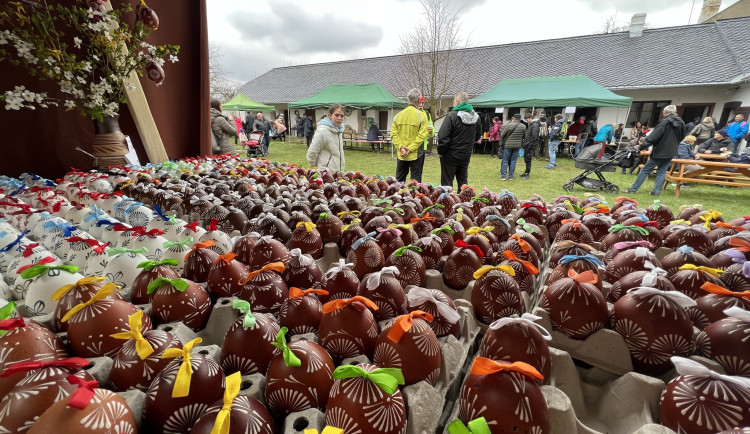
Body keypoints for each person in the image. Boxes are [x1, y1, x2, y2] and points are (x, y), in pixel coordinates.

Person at [623, 105, 684, 196]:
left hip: (660, 151)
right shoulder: (681, 122)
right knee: (662, 171)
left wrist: (641, 147)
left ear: (665, 112)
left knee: (645, 170)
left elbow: (653, 137)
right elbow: (682, 136)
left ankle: (633, 189)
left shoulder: (664, 122)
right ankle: (656, 191)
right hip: (671, 151)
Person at [436, 91, 482, 188]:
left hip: (450, 154)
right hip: (465, 154)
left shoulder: (452, 116)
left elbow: (443, 136)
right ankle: (464, 201)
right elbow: (478, 136)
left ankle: (447, 201)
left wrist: (441, 152)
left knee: (447, 183)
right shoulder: (476, 117)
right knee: (463, 181)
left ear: (456, 102)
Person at [392, 89, 429, 183]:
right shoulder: (422, 116)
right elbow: (421, 136)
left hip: (402, 154)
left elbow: (393, 134)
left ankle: (398, 197)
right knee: (415, 184)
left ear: (408, 100)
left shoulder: (398, 116)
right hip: (416, 154)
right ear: (418, 101)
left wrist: (401, 147)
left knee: (399, 182)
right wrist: (410, 148)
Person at [307, 104, 346, 171]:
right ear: (329, 115)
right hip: (324, 172)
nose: (339, 118)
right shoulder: (323, 131)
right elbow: (312, 152)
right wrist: (314, 169)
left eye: (342, 116)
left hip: (337, 172)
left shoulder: (339, 130)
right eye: (336, 115)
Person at [499, 113, 527, 181]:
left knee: (505, 160)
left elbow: (502, 135)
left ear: (513, 118)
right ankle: (511, 176)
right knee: (513, 161)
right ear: (520, 119)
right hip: (517, 146)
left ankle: (503, 176)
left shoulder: (509, 125)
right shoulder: (523, 126)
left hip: (508, 145)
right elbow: (524, 136)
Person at [416, 99, 435, 179]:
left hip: (422, 147)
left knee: (418, 172)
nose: (421, 104)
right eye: (419, 102)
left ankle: (417, 189)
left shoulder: (427, 114)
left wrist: (431, 132)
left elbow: (431, 129)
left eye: (422, 103)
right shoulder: (412, 113)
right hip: (412, 146)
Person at [520, 115, 540, 179]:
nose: (526, 121)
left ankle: (527, 173)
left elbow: (534, 137)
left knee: (528, 159)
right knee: (526, 159)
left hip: (530, 145)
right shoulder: (531, 124)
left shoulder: (535, 125)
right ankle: (526, 172)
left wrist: (529, 145)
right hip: (528, 144)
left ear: (531, 118)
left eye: (527, 119)